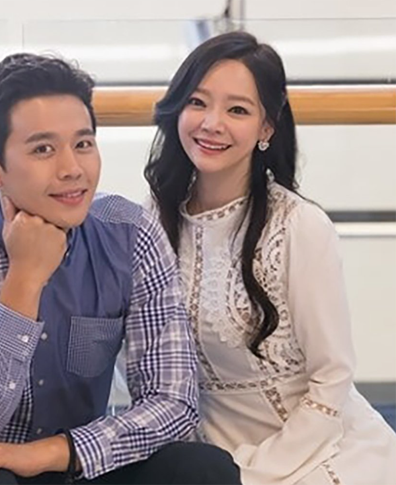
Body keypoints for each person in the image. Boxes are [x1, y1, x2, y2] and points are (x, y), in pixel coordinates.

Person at [0, 53, 242, 485]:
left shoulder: (130, 233)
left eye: (83, 144)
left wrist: (57, 453)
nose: (72, 169)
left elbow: (174, 403)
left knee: (202, 470)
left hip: (68, 459)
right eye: (43, 149)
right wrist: (25, 279)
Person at [144, 31, 396, 485]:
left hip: (315, 447)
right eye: (198, 102)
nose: (212, 123)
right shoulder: (151, 219)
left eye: (237, 110)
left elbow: (332, 379)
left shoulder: (300, 226)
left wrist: (255, 473)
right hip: (201, 455)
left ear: (266, 128)